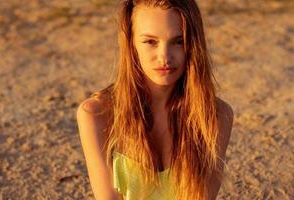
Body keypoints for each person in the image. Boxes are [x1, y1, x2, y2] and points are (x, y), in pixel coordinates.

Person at [76, 0, 234, 199]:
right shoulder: (96, 115)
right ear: (131, 44)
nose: (165, 57)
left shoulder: (216, 115)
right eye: (150, 42)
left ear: (194, 44)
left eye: (179, 41)